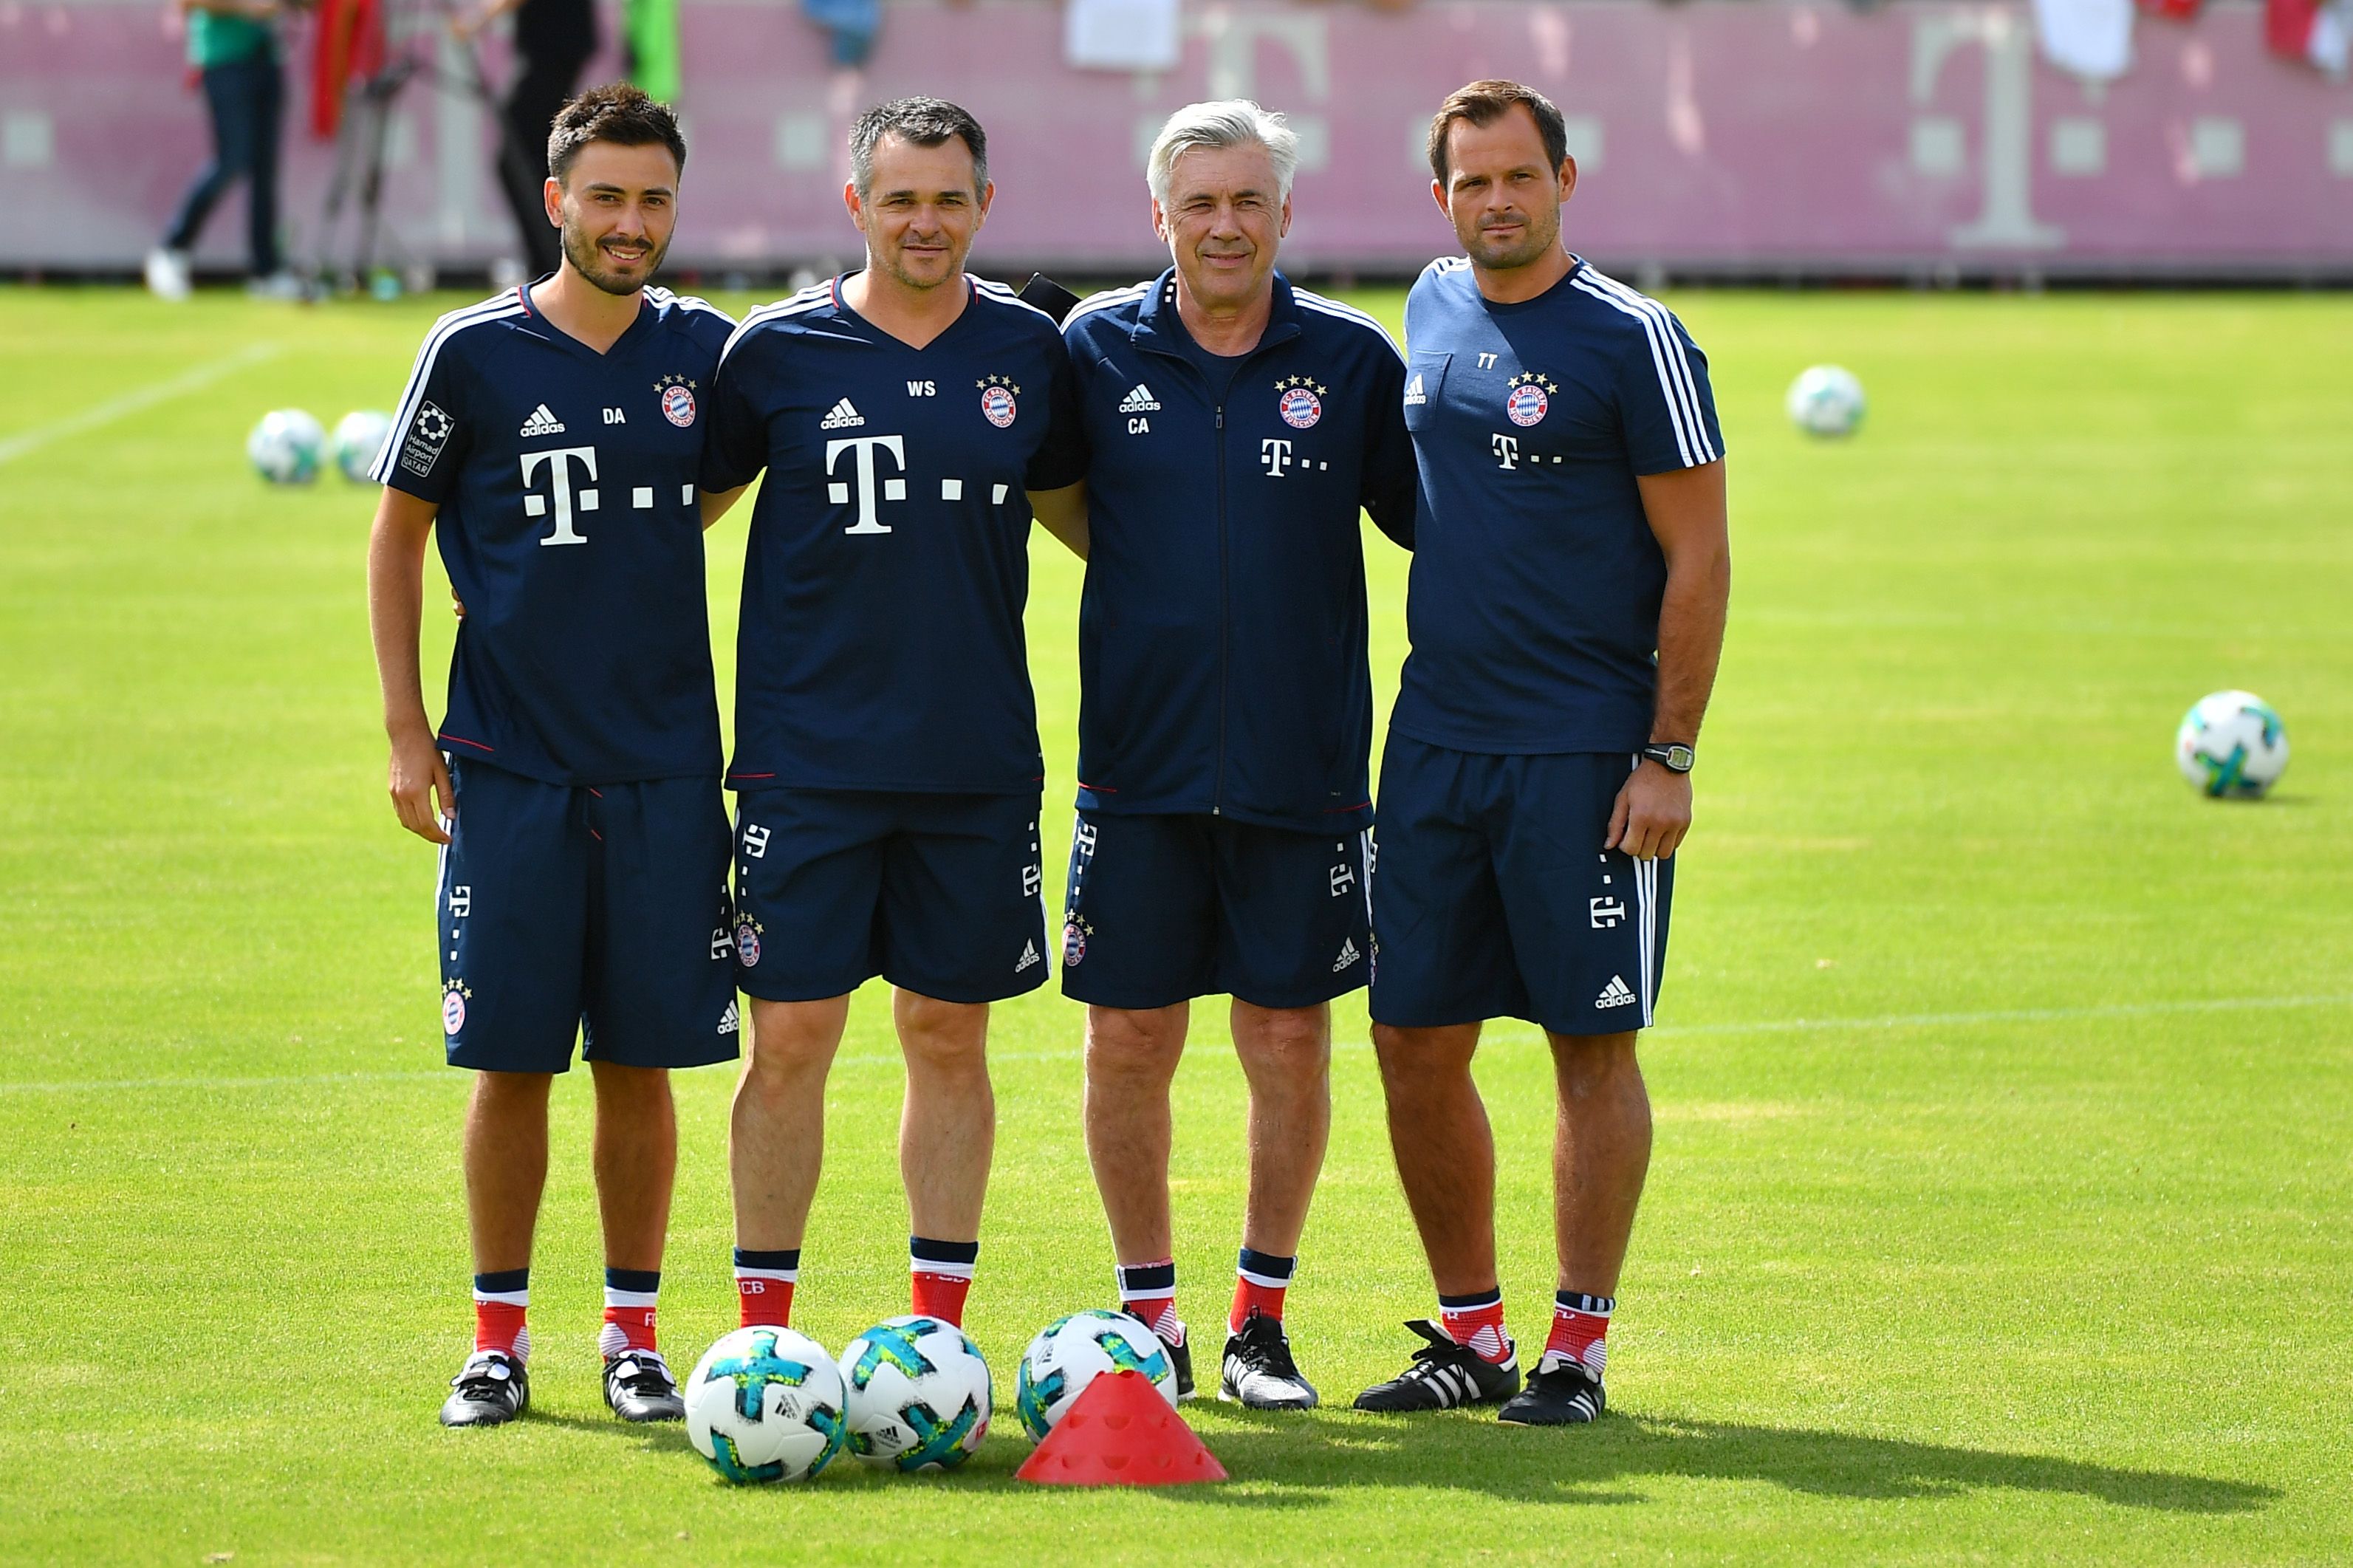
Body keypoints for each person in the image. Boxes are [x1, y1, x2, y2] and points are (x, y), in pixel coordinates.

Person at [1353, 79, 1731, 1426]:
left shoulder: (1637, 339)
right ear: (1439, 194)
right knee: (1411, 1040)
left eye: (1520, 175)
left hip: (1584, 755)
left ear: (1565, 179)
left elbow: (1699, 555)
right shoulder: (1430, 305)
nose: (1496, 199)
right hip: (1436, 743)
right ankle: (1470, 1334)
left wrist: (1668, 753)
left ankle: (1575, 1348)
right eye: (1472, 180)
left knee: (1589, 1043)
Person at [364, 84, 739, 1429]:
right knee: (511, 1061)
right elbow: (398, 536)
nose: (629, 221)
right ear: (556, 202)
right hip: (510, 766)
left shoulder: (707, 349)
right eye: (607, 196)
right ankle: (496, 1339)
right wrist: (409, 732)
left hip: (663, 772)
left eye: (651, 199)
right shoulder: (472, 353)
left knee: (640, 1062)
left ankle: (631, 1336)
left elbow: (731, 466)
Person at [700, 98, 1087, 1335]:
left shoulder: (1031, 353)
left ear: (986, 204)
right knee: (794, 1036)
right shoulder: (772, 355)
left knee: (945, 1032)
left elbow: (1097, 526)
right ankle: (765, 1333)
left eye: (948, 197)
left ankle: (937, 1333)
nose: (926, 221)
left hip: (972, 760)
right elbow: (672, 520)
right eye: (900, 197)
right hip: (805, 762)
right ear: (856, 203)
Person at [1055, 101, 1416, 1408]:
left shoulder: (1353, 360)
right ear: (1160, 217)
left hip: (1301, 765)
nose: (1224, 225)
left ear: (1283, 214)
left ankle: (1261, 1321)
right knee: (1127, 1041)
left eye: (1247, 201)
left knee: (1285, 1038)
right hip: (1137, 768)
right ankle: (1151, 1318)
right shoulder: (1093, 349)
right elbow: (1046, 490)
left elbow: (1442, 523)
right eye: (1198, 203)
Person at [147, 0, 301, 300]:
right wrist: (249, 6)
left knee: (265, 171)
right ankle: (173, 249)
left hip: (267, 59)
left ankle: (266, 271)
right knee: (232, 159)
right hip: (225, 60)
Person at [454, 0, 599, 281]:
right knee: (534, 160)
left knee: (521, 160)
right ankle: (551, 258)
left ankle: (548, 260)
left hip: (556, 48)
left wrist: (476, 21)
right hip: (560, 47)